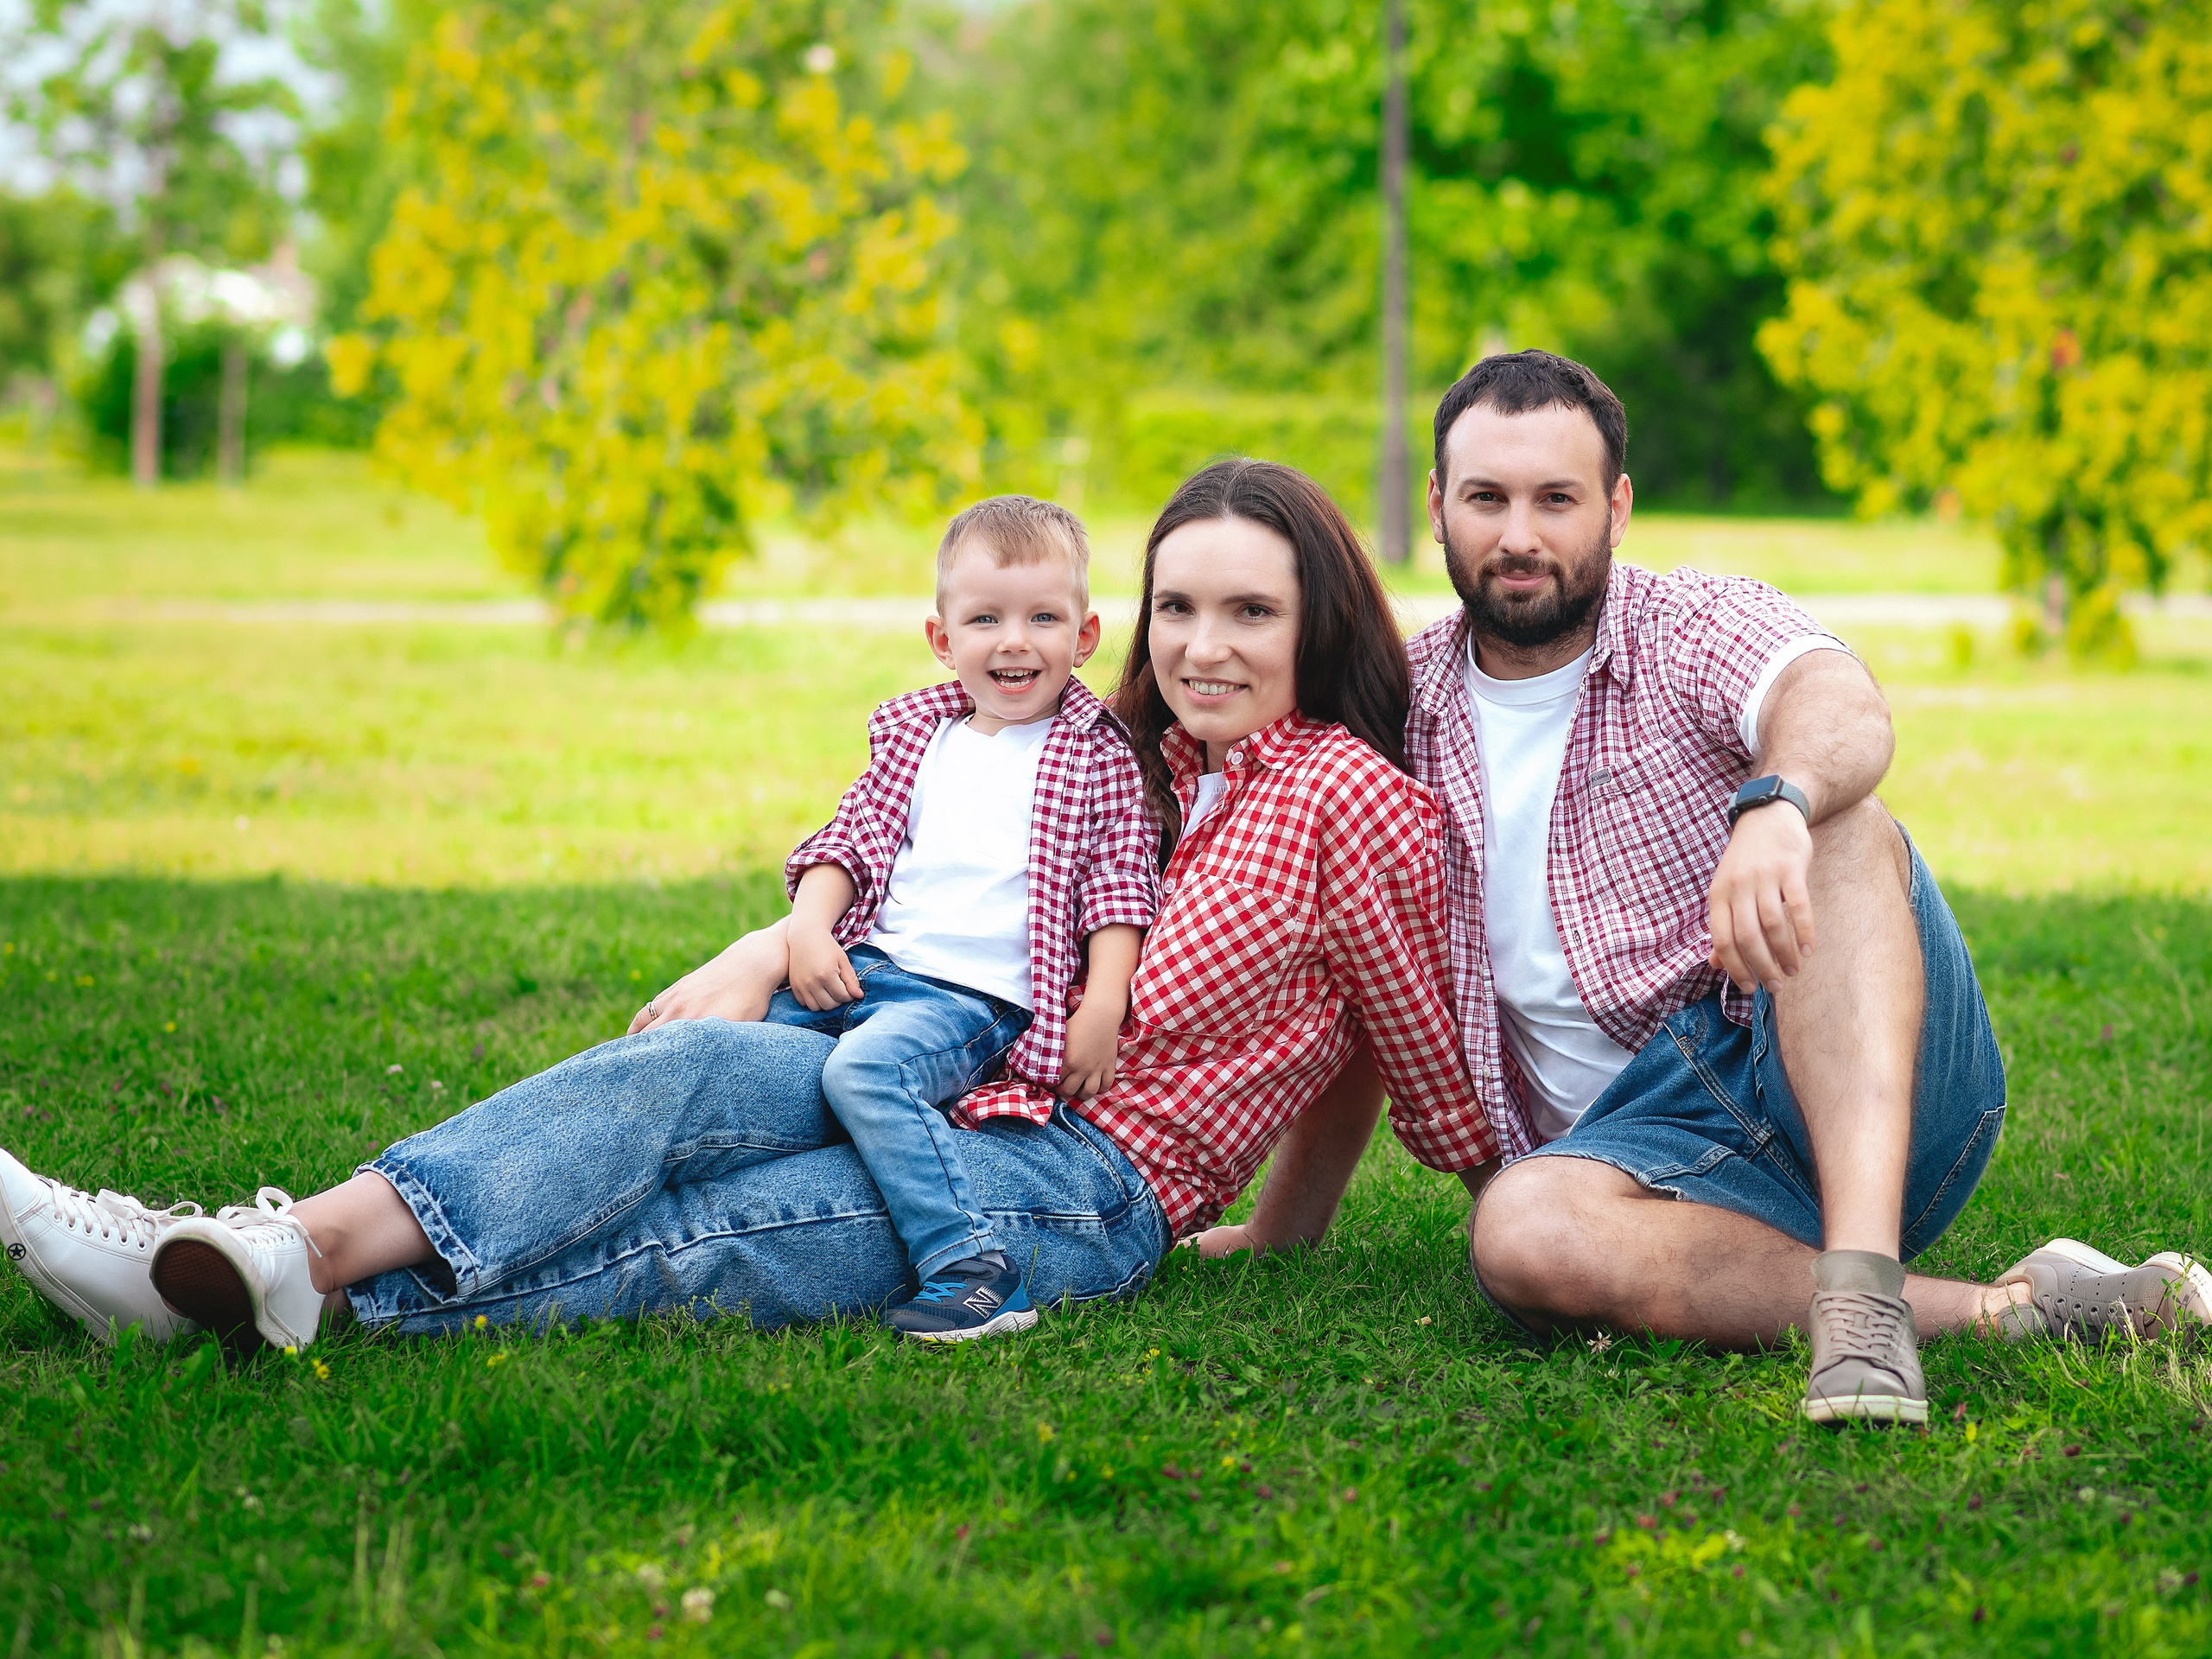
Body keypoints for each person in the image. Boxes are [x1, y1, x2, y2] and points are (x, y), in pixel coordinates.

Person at [0, 459, 1501, 1352]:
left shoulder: (1359, 803)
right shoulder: (1131, 757)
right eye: (1180, 606)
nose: (1203, 645)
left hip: (1075, 1180)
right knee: (670, 1079)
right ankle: (275, 1248)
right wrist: (770, 940)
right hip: (939, 1057)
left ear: (1320, 619)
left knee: (715, 1236)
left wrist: (1484, 1206)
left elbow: (1404, 1053)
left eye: (1251, 611)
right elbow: (950, 879)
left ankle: (281, 1303)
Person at [1192, 350, 2211, 1423]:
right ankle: (2011, 1310)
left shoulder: (1687, 625)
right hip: (1627, 1172)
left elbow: (1837, 700)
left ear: (1618, 507)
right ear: (1439, 505)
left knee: (1841, 823)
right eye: (1487, 499)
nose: (1520, 536)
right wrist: (1280, 1229)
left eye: (1556, 500)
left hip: (1835, 1083)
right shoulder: (1401, 713)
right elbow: (1367, 967)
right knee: (1517, 1233)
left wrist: (1776, 804)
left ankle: (1864, 1290)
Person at [749, 494, 1158, 1339]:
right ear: (943, 639)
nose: (1014, 641)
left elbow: (1118, 888)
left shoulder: (1096, 754)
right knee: (737, 1049)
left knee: (865, 1074)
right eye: (985, 619)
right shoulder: (915, 737)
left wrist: (1102, 1005)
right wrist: (810, 930)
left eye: (1043, 617)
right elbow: (848, 841)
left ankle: (971, 1266)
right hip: (870, 967)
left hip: (968, 1000)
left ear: (1084, 636)